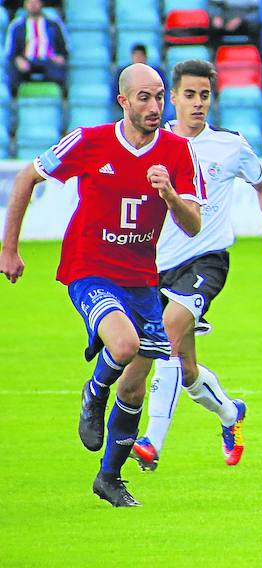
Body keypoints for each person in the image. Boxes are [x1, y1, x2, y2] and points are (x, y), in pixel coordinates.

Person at [0, 64, 205, 507]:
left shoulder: (178, 152)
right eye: (145, 98)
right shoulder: (89, 141)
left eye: (159, 97)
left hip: (141, 279)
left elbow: (193, 225)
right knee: (125, 344)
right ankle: (93, 393)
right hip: (88, 267)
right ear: (124, 101)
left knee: (133, 387)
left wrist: (170, 195)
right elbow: (25, 178)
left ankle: (109, 478)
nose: (156, 107)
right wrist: (9, 249)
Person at [127, 60, 262, 472]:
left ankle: (152, 441)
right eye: (189, 95)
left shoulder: (230, 145)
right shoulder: (155, 142)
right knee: (185, 369)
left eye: (204, 95)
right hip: (156, 265)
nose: (198, 103)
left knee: (164, 337)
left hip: (207, 261)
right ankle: (230, 414)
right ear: (173, 99)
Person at [5, 0, 68, 94]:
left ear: (41, 4)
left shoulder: (54, 25)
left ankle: (61, 100)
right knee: (14, 72)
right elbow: (11, 51)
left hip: (49, 60)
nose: (33, 5)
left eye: (36, 2)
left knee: (58, 72)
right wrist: (18, 59)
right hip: (26, 60)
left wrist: (61, 57)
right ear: (25, 5)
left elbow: (64, 48)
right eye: (30, 2)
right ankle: (15, 101)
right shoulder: (17, 26)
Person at [115, 44, 172, 120]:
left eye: (140, 56)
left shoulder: (156, 73)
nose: (138, 58)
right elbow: (115, 92)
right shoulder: (122, 73)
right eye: (136, 56)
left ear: (145, 57)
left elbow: (164, 92)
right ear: (132, 57)